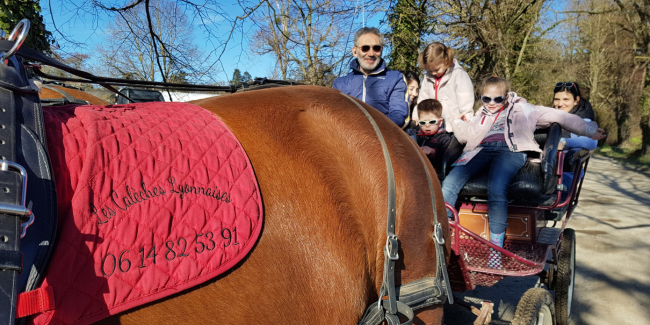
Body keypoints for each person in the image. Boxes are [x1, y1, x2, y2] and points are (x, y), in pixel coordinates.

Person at [441, 76, 606, 250]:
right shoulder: (481, 114)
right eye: (486, 99)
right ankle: (445, 231)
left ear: (505, 97)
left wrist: (590, 130)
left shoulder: (525, 109)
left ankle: (495, 245)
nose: (491, 103)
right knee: (450, 182)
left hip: (511, 151)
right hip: (481, 150)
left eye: (497, 99)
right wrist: (455, 120)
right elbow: (466, 135)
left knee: (496, 187)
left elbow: (562, 117)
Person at [333, 27, 409, 127]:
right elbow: (335, 117)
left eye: (376, 48)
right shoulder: (339, 84)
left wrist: (371, 129)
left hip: (383, 137)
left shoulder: (395, 79)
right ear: (355, 51)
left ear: (381, 50)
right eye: (365, 48)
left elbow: (399, 115)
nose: (371, 53)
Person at [414, 42, 474, 132]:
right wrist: (416, 117)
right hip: (433, 127)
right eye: (430, 70)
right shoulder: (428, 78)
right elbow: (422, 101)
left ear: (446, 61)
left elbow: (466, 102)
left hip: (454, 129)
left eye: (436, 69)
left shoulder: (458, 75)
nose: (433, 73)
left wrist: (465, 120)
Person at [553, 82, 598, 196]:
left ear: (576, 100)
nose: (560, 103)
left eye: (566, 99)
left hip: (565, 173)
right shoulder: (549, 117)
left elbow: (591, 142)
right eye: (557, 99)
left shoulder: (584, 120)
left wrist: (564, 142)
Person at [415, 99, 453, 181]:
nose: (427, 125)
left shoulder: (445, 139)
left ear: (440, 122)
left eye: (432, 122)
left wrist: (433, 152)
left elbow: (445, 164)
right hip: (416, 175)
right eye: (423, 123)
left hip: (435, 178)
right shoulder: (416, 137)